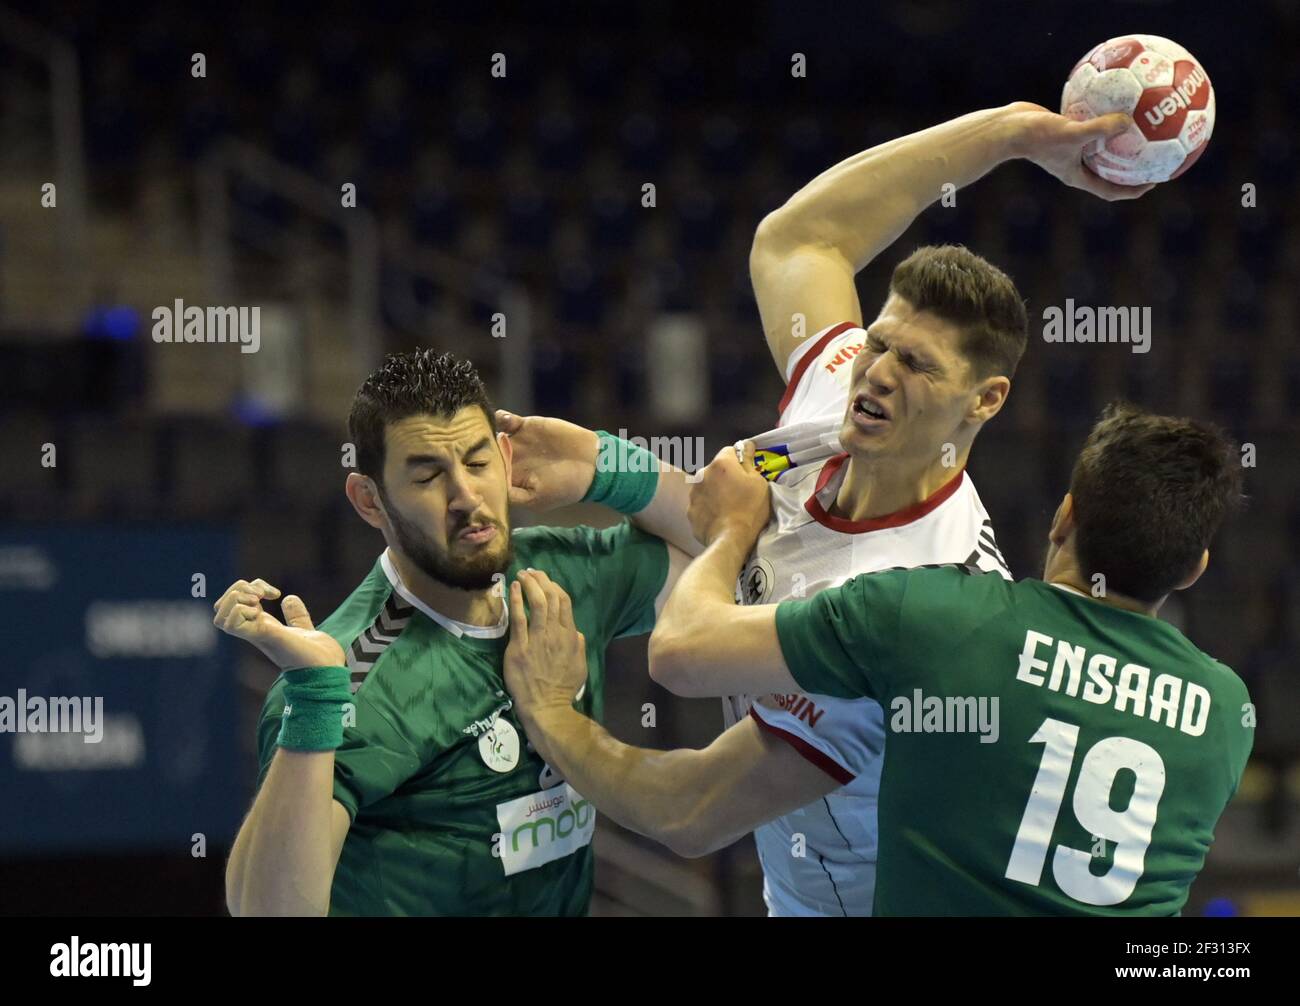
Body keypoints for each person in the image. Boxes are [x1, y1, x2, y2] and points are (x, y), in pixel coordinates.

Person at [499, 102, 1147, 915]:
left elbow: (689, 808)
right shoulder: (844, 397)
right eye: (879, 341)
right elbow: (800, 240)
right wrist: (1012, 135)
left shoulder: (914, 607)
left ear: (984, 400)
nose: (876, 372)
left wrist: (550, 713)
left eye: (915, 364)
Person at [504, 403, 1253, 915]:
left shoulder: (935, 617)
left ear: (1064, 515)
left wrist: (546, 713)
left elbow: (687, 669)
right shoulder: (1226, 716)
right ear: (1196, 568)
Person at [217, 350, 690, 916]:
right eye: (428, 475)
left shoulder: (558, 575)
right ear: (370, 501)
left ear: (506, 457)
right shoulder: (349, 679)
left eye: (477, 462)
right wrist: (317, 698)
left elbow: (736, 558)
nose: (466, 496)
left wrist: (602, 464)